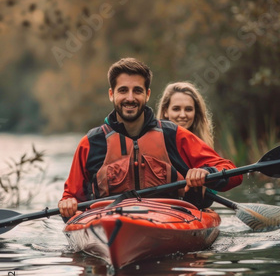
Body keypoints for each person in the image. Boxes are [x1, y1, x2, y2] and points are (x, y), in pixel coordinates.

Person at [58, 57, 242, 219]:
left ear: (147, 95)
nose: (130, 98)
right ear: (111, 94)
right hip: (108, 223)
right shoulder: (91, 143)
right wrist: (68, 205)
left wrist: (207, 173)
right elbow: (71, 197)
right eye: (123, 90)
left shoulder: (174, 135)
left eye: (137, 91)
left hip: (171, 219)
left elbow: (232, 172)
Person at [156, 82, 214, 147]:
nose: (183, 115)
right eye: (176, 109)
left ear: (196, 112)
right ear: (165, 111)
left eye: (188, 109)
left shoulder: (204, 148)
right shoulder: (154, 146)